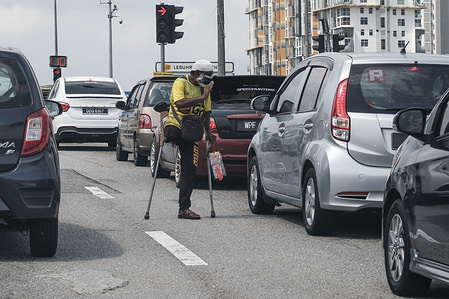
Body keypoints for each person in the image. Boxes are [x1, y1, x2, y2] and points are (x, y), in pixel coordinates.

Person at [164, 59, 217, 220]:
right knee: (173, 134)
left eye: (210, 76)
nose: (208, 79)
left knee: (190, 170)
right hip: (176, 126)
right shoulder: (181, 83)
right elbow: (179, 103)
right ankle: (172, 155)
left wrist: (208, 133)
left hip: (192, 131)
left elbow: (206, 113)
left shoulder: (204, 90)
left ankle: (184, 208)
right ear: (196, 73)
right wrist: (203, 96)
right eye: (206, 75)